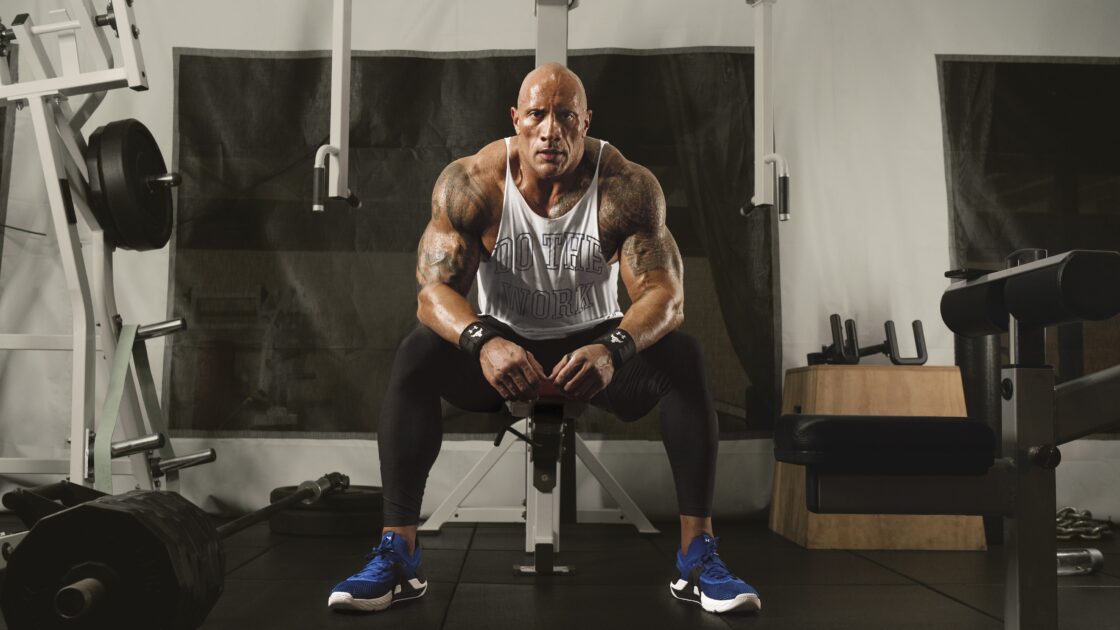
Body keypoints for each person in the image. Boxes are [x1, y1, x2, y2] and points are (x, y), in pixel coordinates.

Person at [327, 63, 760, 615]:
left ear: (586, 122)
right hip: (503, 349)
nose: (551, 131)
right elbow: (432, 295)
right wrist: (483, 342)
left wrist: (615, 349)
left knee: (684, 356)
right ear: (516, 119)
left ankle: (697, 555)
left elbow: (665, 297)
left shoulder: (625, 188)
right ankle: (398, 553)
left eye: (566, 117)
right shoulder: (473, 184)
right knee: (418, 352)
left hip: (595, 349)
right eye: (537, 115)